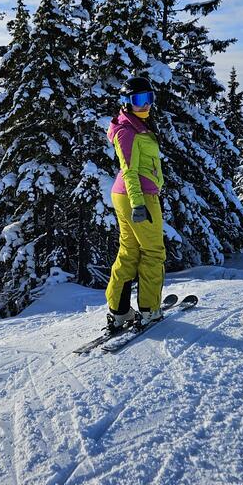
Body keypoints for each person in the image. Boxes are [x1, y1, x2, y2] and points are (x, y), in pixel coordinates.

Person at [104, 75, 166, 331]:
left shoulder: (135, 125)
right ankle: (150, 310)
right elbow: (128, 170)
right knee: (153, 252)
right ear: (126, 102)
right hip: (136, 197)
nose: (146, 105)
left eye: (149, 99)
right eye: (139, 100)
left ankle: (119, 311)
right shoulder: (126, 131)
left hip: (125, 195)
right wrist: (139, 204)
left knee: (129, 251)